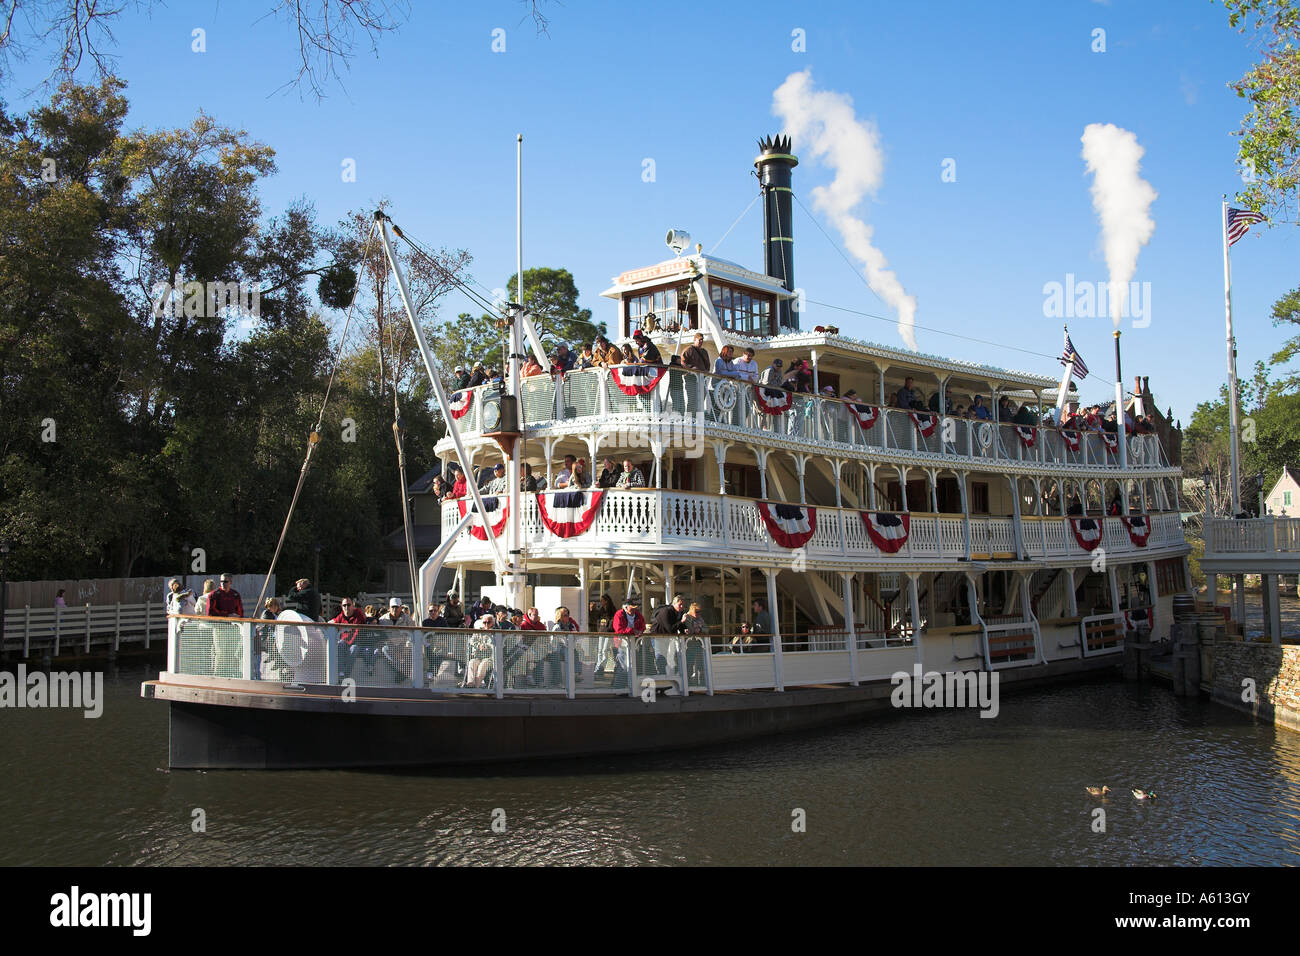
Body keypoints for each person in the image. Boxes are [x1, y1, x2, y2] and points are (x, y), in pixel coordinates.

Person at [611, 597, 645, 686]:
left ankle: (630, 685)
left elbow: (643, 626)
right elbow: (619, 629)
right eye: (632, 607)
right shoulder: (619, 614)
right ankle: (619, 686)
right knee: (623, 665)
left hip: (634, 643)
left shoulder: (638, 615)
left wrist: (639, 631)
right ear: (626, 607)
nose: (634, 609)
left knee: (633, 664)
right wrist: (633, 631)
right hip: (621, 643)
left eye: (635, 607)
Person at [332, 597, 366, 678]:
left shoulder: (358, 614)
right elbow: (333, 622)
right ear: (342, 607)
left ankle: (345, 675)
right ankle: (340, 672)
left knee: (353, 649)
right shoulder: (341, 616)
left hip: (357, 642)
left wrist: (348, 641)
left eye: (348, 605)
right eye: (344, 605)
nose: (346, 607)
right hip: (345, 641)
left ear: (353, 606)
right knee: (340, 644)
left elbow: (357, 631)